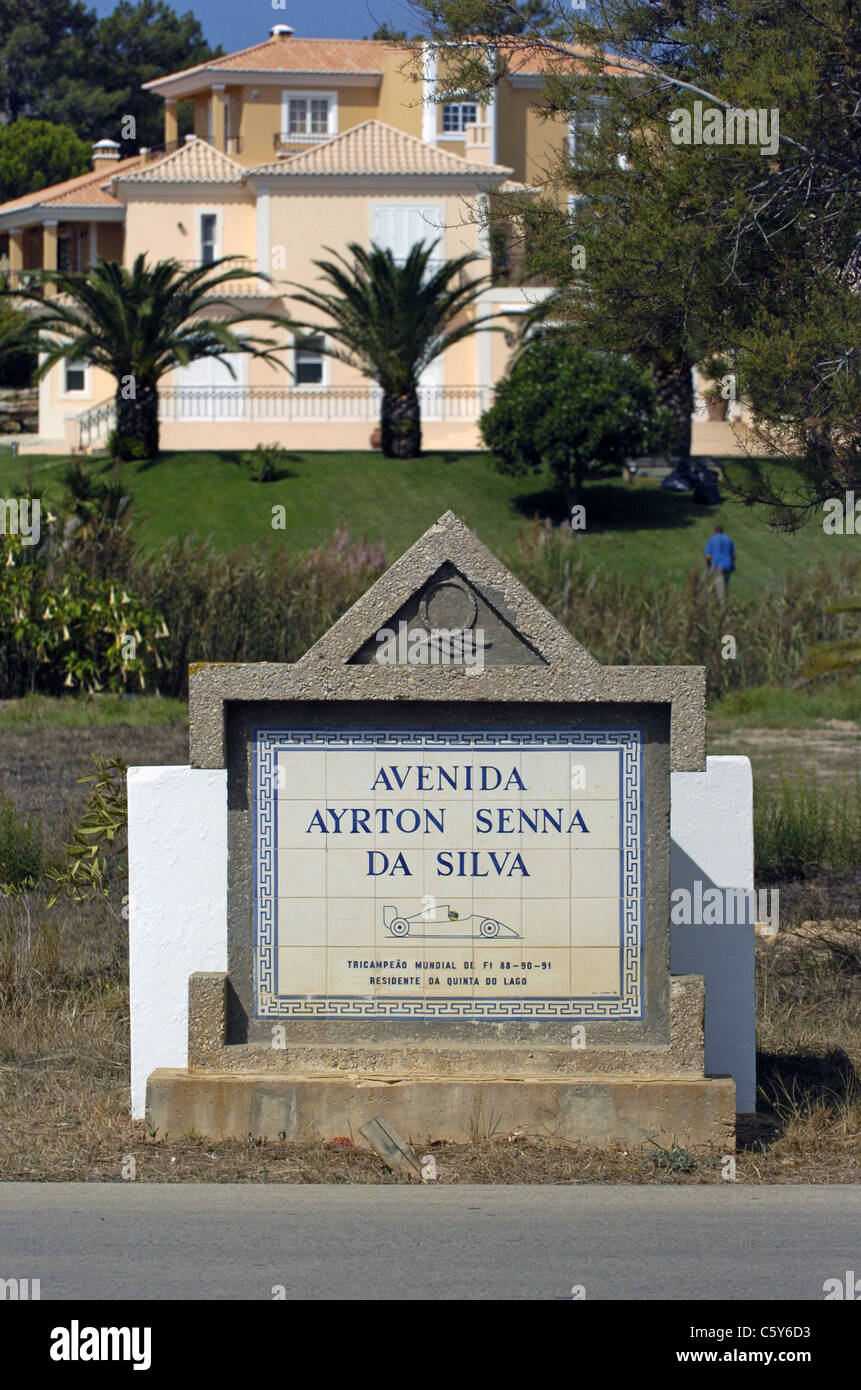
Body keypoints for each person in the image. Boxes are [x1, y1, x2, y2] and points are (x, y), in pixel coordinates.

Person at [704, 524, 735, 601]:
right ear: (722, 531)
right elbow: (733, 555)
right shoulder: (728, 539)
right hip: (728, 566)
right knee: (725, 585)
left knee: (718, 588)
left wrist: (708, 567)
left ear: (714, 532)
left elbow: (708, 557)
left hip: (718, 566)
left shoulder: (712, 540)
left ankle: (722, 606)